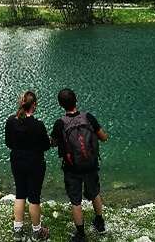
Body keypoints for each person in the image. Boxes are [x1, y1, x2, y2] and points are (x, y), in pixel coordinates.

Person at [51, 88, 108, 242]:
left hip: (72, 168)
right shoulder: (88, 117)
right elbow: (103, 137)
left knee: (76, 200)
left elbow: (53, 143)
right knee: (94, 192)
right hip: (90, 164)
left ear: (60, 105)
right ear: (76, 100)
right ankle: (99, 222)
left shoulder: (60, 123)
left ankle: (81, 234)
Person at [5, 91, 51, 242]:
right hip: (35, 163)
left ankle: (17, 231)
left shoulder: (11, 121)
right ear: (34, 105)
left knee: (20, 193)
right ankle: (37, 232)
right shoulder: (38, 125)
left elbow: (8, 143)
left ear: (21, 104)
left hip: (17, 161)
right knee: (34, 197)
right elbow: (46, 146)